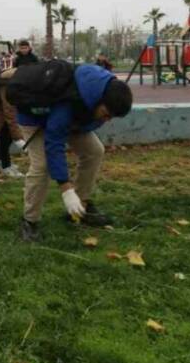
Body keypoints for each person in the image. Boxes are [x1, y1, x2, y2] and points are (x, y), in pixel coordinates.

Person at [16, 64, 134, 242]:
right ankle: (29, 221)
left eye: (111, 117)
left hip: (75, 119)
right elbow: (54, 144)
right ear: (99, 101)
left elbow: (88, 120)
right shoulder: (69, 102)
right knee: (43, 165)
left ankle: (81, 207)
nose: (107, 120)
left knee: (95, 151)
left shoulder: (104, 95)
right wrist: (66, 189)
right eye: (106, 114)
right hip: (35, 119)